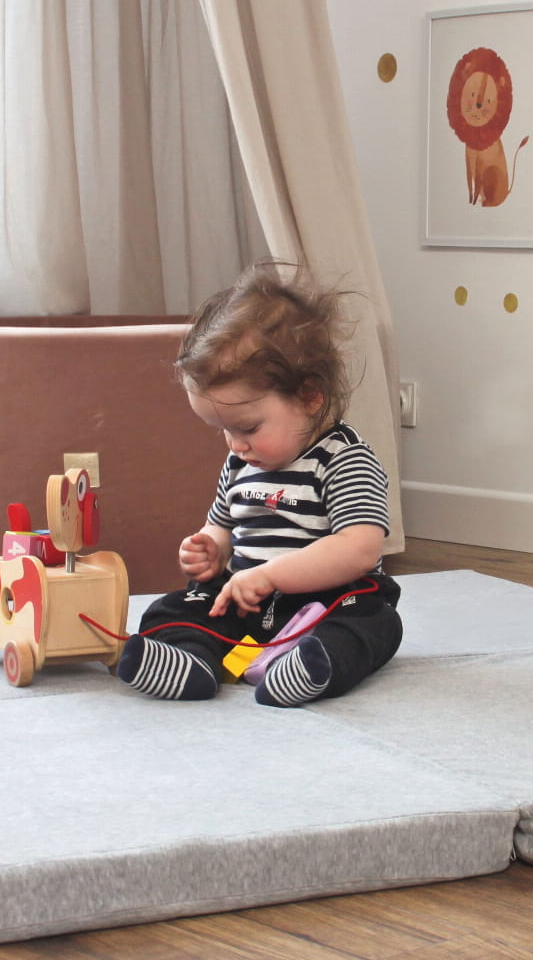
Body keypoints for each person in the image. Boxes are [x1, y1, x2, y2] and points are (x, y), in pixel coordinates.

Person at [117, 264, 401, 707]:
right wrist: (211, 549)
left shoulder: (344, 460)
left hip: (326, 603)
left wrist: (271, 575)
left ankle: (310, 666)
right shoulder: (240, 462)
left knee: (373, 623)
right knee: (174, 608)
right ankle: (192, 661)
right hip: (248, 604)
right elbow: (222, 527)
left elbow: (359, 549)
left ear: (309, 396)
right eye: (223, 431)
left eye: (247, 427)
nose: (235, 444)